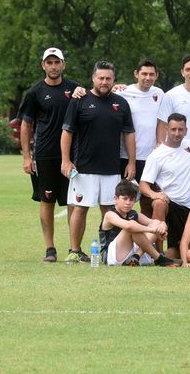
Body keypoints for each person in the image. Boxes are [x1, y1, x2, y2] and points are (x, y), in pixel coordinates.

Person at [60, 61, 135, 264]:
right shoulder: (79, 100)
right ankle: (75, 250)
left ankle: (110, 251)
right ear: (93, 78)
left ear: (113, 80)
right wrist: (66, 161)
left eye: (108, 78)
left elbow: (128, 134)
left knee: (111, 211)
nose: (104, 82)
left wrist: (131, 162)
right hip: (84, 168)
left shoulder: (121, 103)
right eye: (100, 78)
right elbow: (67, 132)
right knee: (80, 208)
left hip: (111, 169)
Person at [18, 46, 82, 262]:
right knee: (47, 201)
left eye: (57, 62)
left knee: (73, 202)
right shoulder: (35, 93)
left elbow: (98, 94)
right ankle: (50, 248)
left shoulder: (75, 89)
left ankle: (75, 248)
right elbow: (26, 126)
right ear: (43, 65)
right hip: (45, 155)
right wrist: (27, 157)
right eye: (49, 62)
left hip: (73, 156)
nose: (53, 66)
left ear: (63, 64)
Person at [138, 113, 190, 255]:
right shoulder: (157, 155)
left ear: (186, 131)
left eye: (180, 130)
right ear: (166, 129)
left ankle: (167, 254)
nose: (177, 133)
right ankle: (158, 252)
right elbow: (143, 184)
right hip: (169, 203)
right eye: (173, 129)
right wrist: (155, 194)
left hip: (188, 208)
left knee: (184, 253)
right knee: (159, 203)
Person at [117, 58, 164, 203]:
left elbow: (161, 121)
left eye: (151, 74)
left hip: (150, 157)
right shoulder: (122, 93)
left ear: (156, 76)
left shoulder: (159, 93)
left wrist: (160, 143)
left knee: (147, 201)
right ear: (136, 74)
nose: (148, 78)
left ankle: (147, 226)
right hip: (126, 157)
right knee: (123, 201)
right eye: (144, 74)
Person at [99, 180, 175, 266]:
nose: (128, 203)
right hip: (112, 256)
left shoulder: (133, 213)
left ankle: (136, 256)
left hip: (130, 251)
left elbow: (156, 222)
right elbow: (129, 226)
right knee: (132, 226)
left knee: (152, 225)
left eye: (131, 200)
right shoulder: (110, 215)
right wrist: (153, 230)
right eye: (125, 199)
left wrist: (162, 225)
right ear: (116, 199)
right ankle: (158, 258)